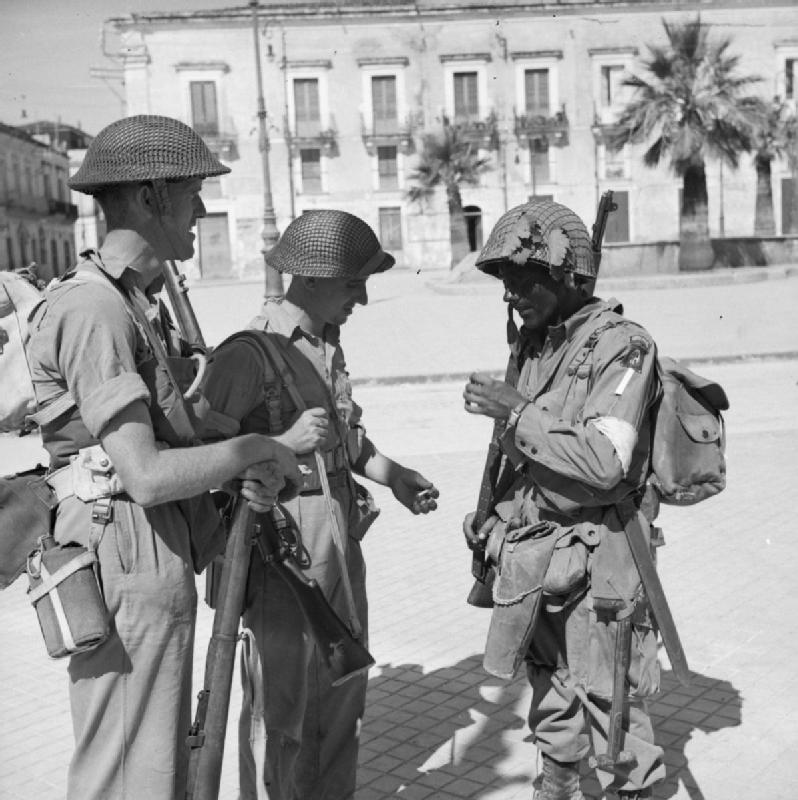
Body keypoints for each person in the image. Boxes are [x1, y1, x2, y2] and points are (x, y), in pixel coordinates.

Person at [25, 114, 300, 800]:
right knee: (129, 776)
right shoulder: (97, 310)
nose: (201, 210)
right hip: (124, 553)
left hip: (148, 551)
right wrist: (253, 449)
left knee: (158, 770)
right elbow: (144, 474)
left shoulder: (131, 303)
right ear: (151, 196)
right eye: (192, 192)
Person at [198, 208, 440, 800]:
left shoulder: (325, 345)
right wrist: (280, 446)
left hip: (336, 541)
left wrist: (395, 476)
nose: (362, 295)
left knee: (341, 689)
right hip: (278, 552)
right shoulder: (248, 353)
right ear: (311, 277)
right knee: (281, 709)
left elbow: (346, 440)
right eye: (353, 281)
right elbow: (203, 456)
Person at [462, 199, 665, 800]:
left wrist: (516, 410)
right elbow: (517, 453)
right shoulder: (534, 344)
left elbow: (606, 463)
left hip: (600, 556)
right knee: (549, 686)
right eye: (506, 284)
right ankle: (556, 784)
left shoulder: (624, 347)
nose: (513, 295)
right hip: (535, 555)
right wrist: (490, 514)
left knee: (610, 700)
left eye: (526, 281)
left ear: (569, 275)